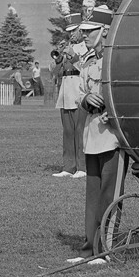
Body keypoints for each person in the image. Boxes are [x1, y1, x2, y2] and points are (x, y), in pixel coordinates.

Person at [66, 5, 124, 267]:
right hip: (92, 135)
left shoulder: (117, 59)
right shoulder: (88, 61)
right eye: (85, 30)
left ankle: (105, 248)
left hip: (113, 136)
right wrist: (86, 98)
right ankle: (90, 247)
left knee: (109, 195)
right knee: (92, 196)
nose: (85, 35)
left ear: (105, 30)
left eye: (91, 31)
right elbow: (80, 91)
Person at [51, 13, 87, 178]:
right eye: (70, 31)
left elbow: (85, 69)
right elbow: (54, 72)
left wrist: (73, 55)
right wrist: (59, 58)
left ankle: (82, 167)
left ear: (81, 29)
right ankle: (68, 166)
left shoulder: (86, 47)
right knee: (68, 132)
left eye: (75, 30)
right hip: (65, 93)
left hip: (78, 92)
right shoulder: (65, 47)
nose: (72, 34)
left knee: (80, 131)